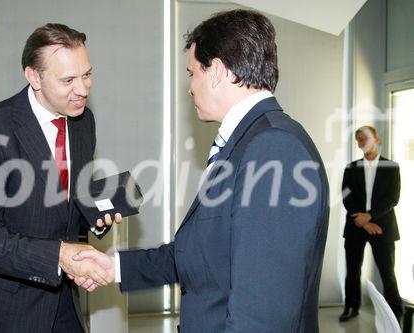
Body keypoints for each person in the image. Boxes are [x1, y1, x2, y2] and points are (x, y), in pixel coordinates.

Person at [73, 9, 330, 332]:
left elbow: (262, 316)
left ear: (218, 71)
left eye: (192, 72)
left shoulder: (275, 149)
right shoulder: (247, 143)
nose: (190, 87)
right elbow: (203, 255)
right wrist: (114, 267)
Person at [0, 23, 121, 332]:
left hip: (65, 303)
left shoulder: (83, 122)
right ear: (33, 77)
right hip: (6, 309)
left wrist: (95, 217)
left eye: (87, 75)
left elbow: (66, 204)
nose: (83, 89)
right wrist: (58, 255)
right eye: (68, 80)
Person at [339, 125, 404, 322]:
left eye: (366, 138)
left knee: (387, 272)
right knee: (352, 270)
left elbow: (393, 198)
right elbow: (346, 196)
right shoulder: (351, 168)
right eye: (359, 139)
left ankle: (395, 311)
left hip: (382, 227)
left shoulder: (392, 167)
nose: (362, 142)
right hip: (356, 226)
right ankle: (351, 307)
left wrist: (370, 216)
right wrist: (364, 222)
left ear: (377, 139)